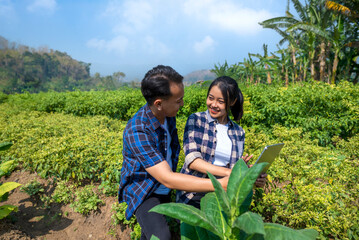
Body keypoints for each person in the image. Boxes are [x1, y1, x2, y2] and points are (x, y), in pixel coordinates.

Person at [118, 65, 230, 240]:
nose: (182, 104)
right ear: (159, 104)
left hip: (162, 187)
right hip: (145, 190)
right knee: (161, 236)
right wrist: (221, 184)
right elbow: (167, 178)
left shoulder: (167, 115)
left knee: (151, 235)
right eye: (178, 100)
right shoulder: (137, 130)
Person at [177, 76, 267, 208]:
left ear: (232, 102)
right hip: (194, 193)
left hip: (223, 195)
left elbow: (233, 170)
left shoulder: (238, 132)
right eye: (211, 98)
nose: (213, 104)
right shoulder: (196, 120)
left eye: (220, 101)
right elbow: (193, 161)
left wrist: (248, 173)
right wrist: (228, 172)